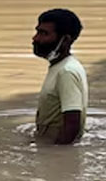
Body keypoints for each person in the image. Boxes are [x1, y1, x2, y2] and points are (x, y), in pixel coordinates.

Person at [32, 8, 88, 144]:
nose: (35, 38)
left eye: (43, 33)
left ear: (65, 40)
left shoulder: (66, 72)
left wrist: (55, 156)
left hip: (53, 149)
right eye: (37, 31)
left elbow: (72, 125)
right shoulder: (60, 66)